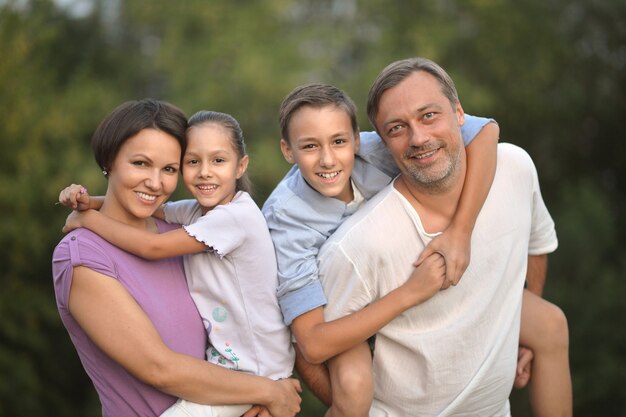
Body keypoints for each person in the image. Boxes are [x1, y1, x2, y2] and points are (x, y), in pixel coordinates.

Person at [315, 57, 569, 416]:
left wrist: (518, 331)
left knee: (551, 321)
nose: (419, 138)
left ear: (460, 114)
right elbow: (309, 350)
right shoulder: (359, 244)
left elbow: (536, 244)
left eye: (429, 116)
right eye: (397, 128)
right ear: (382, 143)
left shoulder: (515, 168)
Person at [262, 83, 499, 416]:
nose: (328, 159)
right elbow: (312, 344)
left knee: (548, 324)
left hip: (397, 273)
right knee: (355, 389)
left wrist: (461, 231)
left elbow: (486, 130)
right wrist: (410, 293)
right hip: (340, 312)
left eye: (339, 141)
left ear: (357, 139)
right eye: (310, 146)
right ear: (288, 151)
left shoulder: (381, 149)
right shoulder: (285, 220)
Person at [53, 100, 301, 417]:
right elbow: (159, 368)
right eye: (141, 163)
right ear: (109, 160)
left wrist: (269, 395)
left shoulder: (184, 231)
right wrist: (271, 393)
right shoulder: (82, 255)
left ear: (240, 166)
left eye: (169, 168)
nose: (156, 183)